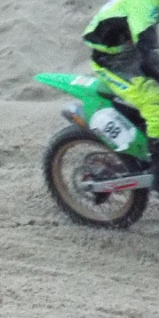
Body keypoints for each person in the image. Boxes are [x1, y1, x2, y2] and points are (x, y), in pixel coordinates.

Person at [83, 0, 159, 187]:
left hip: (133, 47)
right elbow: (149, 58)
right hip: (113, 60)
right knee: (154, 101)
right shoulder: (141, 5)